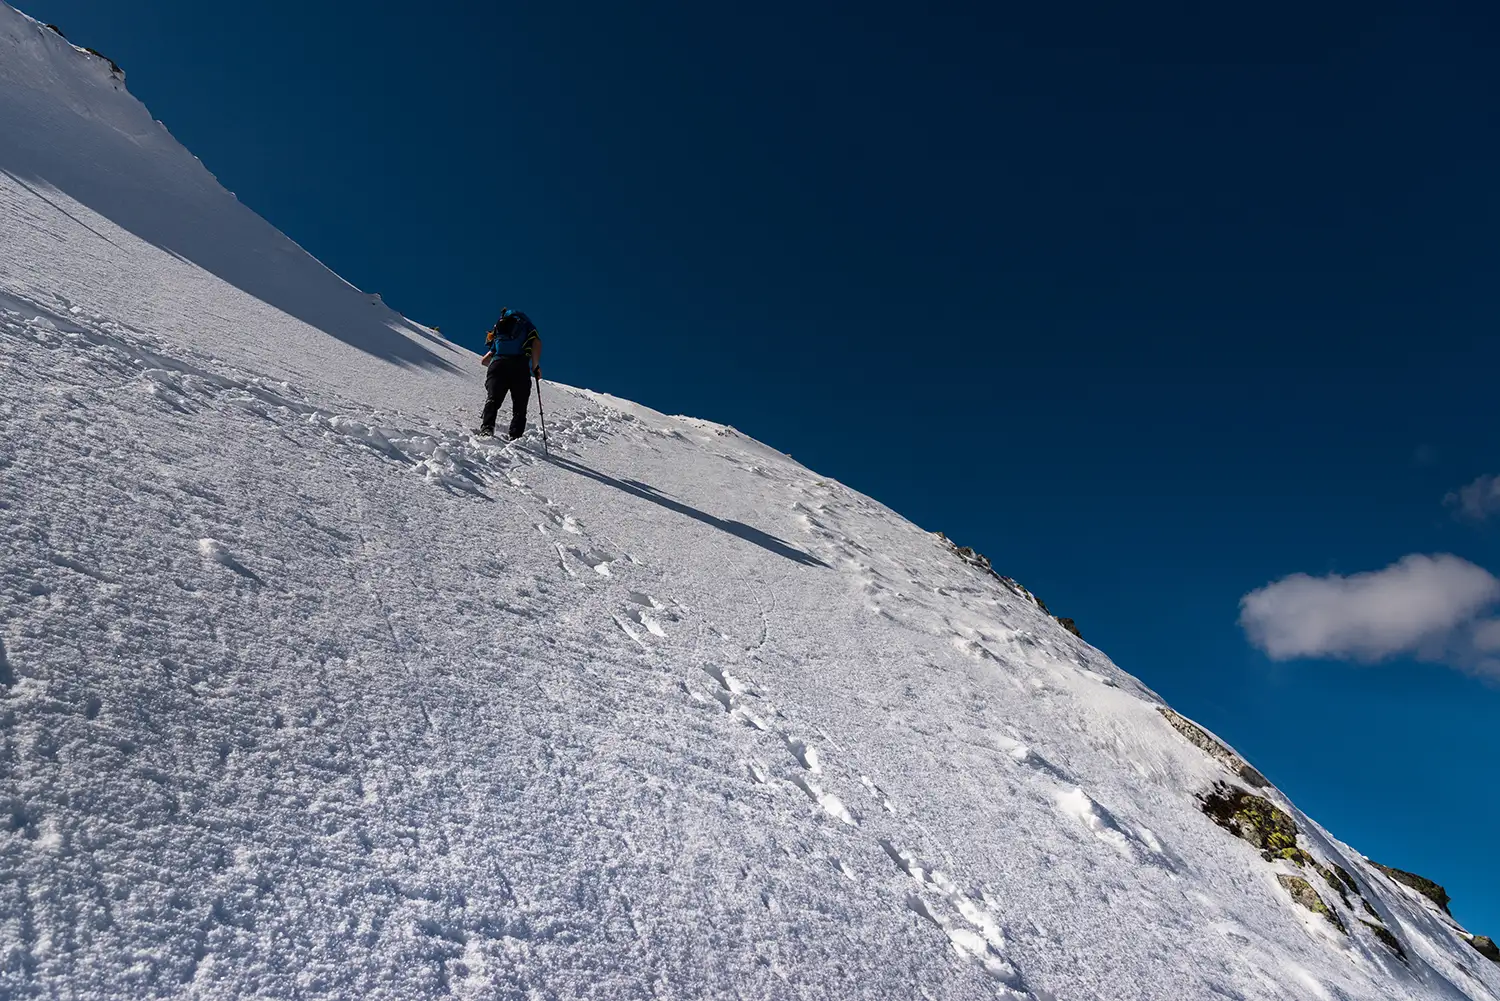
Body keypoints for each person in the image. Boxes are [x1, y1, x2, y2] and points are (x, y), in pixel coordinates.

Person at [475, 308, 542, 439]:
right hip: (519, 366)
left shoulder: (499, 332)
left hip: (497, 364)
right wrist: (535, 367)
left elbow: (484, 361)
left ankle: (487, 428)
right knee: (520, 404)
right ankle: (515, 436)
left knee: (493, 399)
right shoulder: (526, 325)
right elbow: (536, 342)